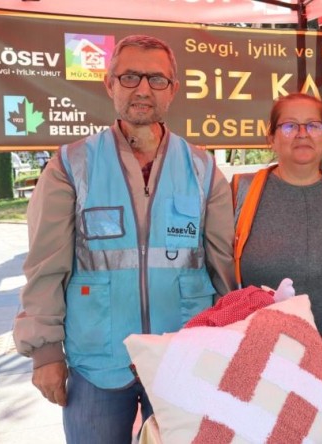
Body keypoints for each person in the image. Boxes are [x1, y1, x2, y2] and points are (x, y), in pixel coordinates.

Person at [13, 35, 235, 442]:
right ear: (109, 84)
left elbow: (224, 271)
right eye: (130, 76)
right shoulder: (71, 165)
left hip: (182, 361)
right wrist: (45, 352)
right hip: (96, 362)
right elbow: (46, 266)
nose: (143, 89)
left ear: (173, 90)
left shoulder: (204, 170)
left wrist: (233, 345)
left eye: (157, 79)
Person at [231, 93, 322, 359]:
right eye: (290, 125)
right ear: (271, 137)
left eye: (313, 125)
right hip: (264, 368)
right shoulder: (240, 193)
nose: (302, 134)